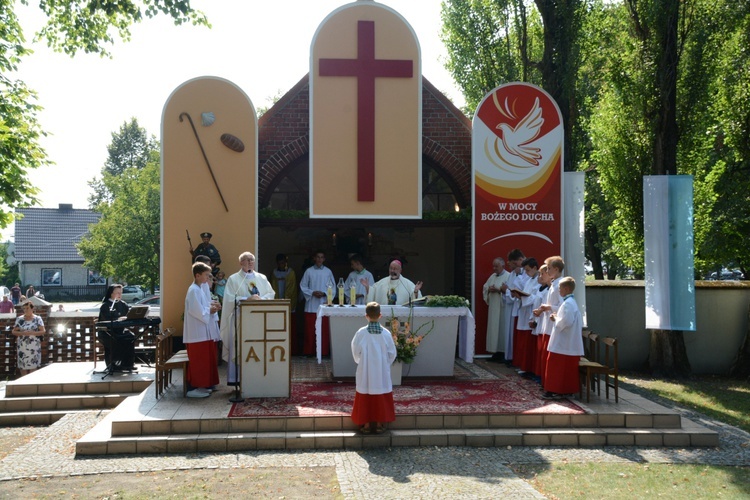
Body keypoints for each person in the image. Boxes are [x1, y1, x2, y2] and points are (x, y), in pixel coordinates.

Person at [219, 252, 275, 385]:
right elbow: (228, 300)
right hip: (240, 321)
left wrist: (261, 299)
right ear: (240, 262)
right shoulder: (233, 279)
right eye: (247, 260)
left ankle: (257, 378)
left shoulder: (262, 278)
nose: (250, 262)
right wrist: (246, 299)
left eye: (252, 260)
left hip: (259, 321)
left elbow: (271, 293)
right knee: (240, 348)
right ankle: (237, 380)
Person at [351, 302, 397, 434]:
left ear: (366, 316)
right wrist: (385, 364)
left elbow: (355, 351)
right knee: (380, 394)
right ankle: (378, 424)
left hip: (365, 370)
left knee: (365, 393)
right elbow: (392, 353)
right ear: (380, 315)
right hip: (381, 371)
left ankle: (365, 424)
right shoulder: (386, 334)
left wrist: (361, 361)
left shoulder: (361, 333)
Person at [184, 262, 221, 398]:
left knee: (203, 361)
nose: (208, 278)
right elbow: (195, 310)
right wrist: (209, 310)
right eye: (206, 275)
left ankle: (201, 386)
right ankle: (193, 389)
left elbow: (204, 305)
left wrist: (213, 306)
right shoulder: (193, 290)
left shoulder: (199, 289)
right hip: (196, 333)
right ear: (197, 275)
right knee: (198, 361)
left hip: (202, 331)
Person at [543, 277, 584, 399]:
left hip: (564, 343)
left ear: (566, 289)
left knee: (557, 367)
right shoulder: (569, 302)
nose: (559, 290)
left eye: (560, 288)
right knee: (563, 368)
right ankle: (562, 390)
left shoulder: (568, 304)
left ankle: (556, 390)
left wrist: (555, 318)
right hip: (566, 343)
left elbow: (566, 322)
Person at [299, 250, 335, 356]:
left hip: (323, 304)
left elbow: (333, 287)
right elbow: (303, 285)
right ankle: (308, 352)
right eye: (317, 257)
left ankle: (323, 352)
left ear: (324, 259)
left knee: (323, 331)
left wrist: (325, 294)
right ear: (314, 258)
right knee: (310, 331)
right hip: (311, 305)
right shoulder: (309, 271)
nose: (319, 259)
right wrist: (312, 292)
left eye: (321, 257)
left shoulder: (328, 272)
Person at [97, 284, 136, 372]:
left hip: (120, 331)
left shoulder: (123, 304)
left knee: (130, 336)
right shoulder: (105, 306)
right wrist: (118, 319)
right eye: (117, 293)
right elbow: (105, 321)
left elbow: (129, 315)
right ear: (111, 293)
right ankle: (114, 364)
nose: (120, 295)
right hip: (107, 332)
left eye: (121, 292)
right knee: (114, 340)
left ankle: (128, 364)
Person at [482, 257, 510, 362]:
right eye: (493, 266)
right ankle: (495, 352)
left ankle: (502, 353)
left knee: (502, 329)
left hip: (502, 308)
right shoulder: (492, 276)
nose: (494, 268)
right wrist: (488, 289)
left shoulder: (508, 276)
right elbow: (485, 287)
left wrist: (499, 290)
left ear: (503, 266)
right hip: (494, 308)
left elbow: (510, 292)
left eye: (496, 266)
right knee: (494, 329)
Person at [502, 249, 526, 364]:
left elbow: (517, 292)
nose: (509, 265)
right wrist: (505, 290)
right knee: (509, 333)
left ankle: (514, 358)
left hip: (519, 307)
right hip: (510, 307)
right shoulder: (512, 274)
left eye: (511, 263)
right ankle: (509, 357)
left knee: (515, 334)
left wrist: (506, 291)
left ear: (519, 261)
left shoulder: (525, 273)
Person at [12, 301, 46, 375]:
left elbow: (43, 331)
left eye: (27, 308)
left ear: (32, 308)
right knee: (23, 366)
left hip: (34, 347)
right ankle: (23, 385)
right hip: (22, 347)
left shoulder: (37, 319)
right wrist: (22, 333)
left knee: (33, 367)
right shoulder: (20, 319)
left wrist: (32, 333)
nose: (25, 310)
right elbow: (14, 331)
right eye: (24, 309)